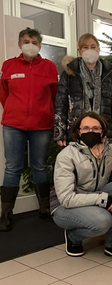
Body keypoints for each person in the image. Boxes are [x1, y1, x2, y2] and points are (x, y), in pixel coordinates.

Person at [50, 112, 112, 261]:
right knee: (103, 221)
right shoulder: (67, 155)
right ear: (78, 131)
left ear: (102, 130)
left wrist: (105, 198)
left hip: (94, 196)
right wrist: (102, 200)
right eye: (86, 128)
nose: (91, 132)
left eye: (96, 128)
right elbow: (66, 198)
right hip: (65, 207)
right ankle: (73, 237)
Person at [0, 28, 59, 231]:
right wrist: (13, 110)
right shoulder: (8, 65)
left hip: (42, 126)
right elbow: (4, 93)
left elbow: (54, 95)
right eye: (26, 41)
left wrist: (46, 114)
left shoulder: (50, 67)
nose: (30, 45)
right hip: (13, 125)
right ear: (19, 44)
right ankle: (6, 215)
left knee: (40, 167)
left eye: (34, 42)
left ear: (40, 46)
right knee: (12, 167)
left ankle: (44, 209)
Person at [54, 33, 112, 147]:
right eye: (85, 47)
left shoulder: (109, 75)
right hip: (77, 130)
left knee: (103, 163)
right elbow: (61, 104)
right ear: (79, 51)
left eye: (93, 46)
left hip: (103, 129)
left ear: (98, 49)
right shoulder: (69, 74)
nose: (89, 50)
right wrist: (60, 133)